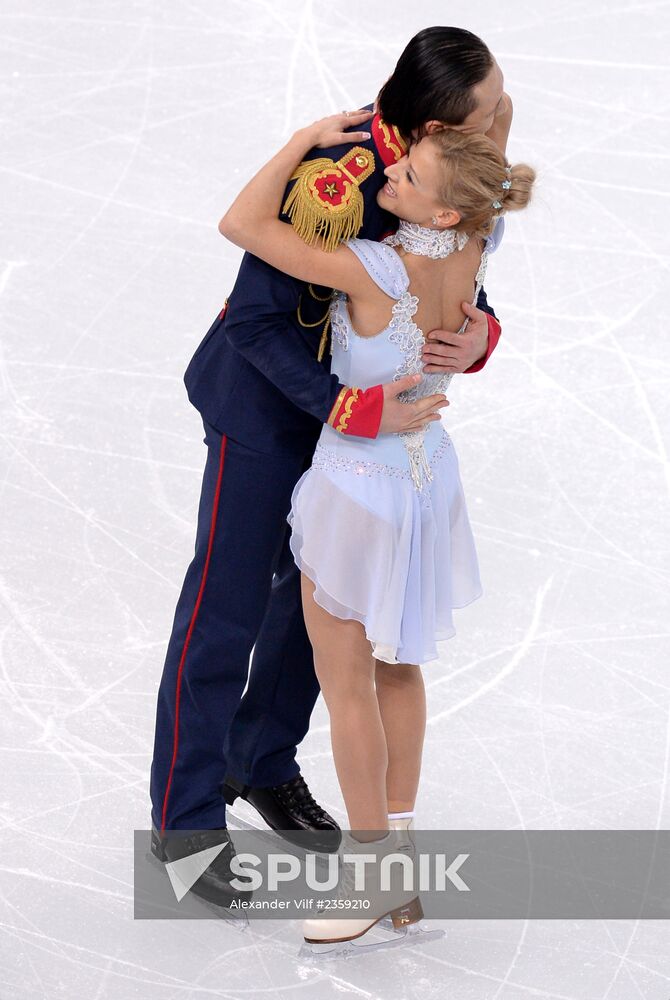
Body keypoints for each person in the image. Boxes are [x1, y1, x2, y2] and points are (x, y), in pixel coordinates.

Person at [149, 27, 512, 910]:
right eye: (489, 110)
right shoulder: (338, 180)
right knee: (228, 606)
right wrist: (350, 409)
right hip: (267, 414)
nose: (504, 121)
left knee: (322, 613)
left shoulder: (448, 172)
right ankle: (187, 822)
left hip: (362, 438)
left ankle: (262, 760)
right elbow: (255, 322)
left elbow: (455, 277)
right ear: (433, 124)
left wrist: (479, 335)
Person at [219, 113, 536, 942]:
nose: (387, 175)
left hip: (359, 490)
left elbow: (241, 226)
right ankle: (399, 864)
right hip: (429, 480)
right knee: (398, 669)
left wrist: (297, 140)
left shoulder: (372, 268)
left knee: (348, 680)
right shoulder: (475, 244)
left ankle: (368, 876)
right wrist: (486, 330)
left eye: (409, 179)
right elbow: (486, 194)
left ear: (438, 213)